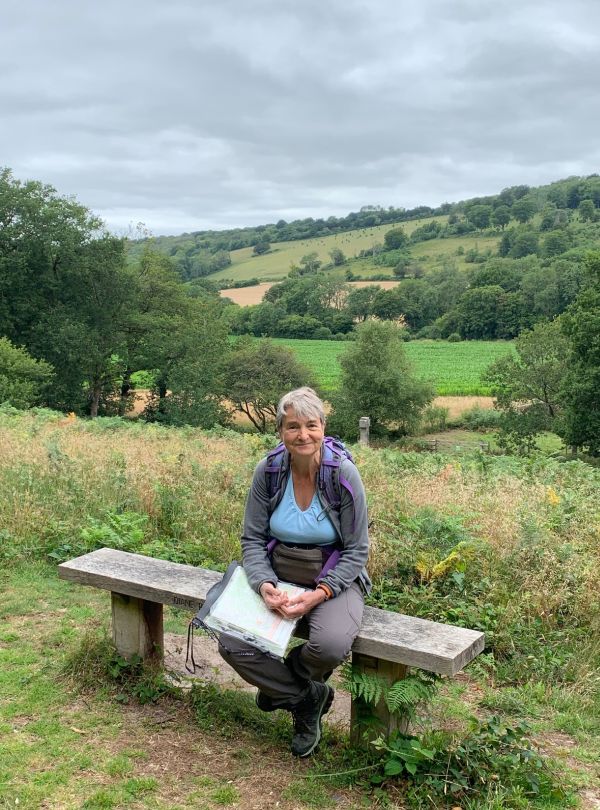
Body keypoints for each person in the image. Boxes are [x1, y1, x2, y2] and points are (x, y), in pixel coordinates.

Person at [218, 387, 371, 757]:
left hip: (333, 577)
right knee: (232, 642)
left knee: (330, 645)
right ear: (280, 431)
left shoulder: (343, 474)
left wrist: (319, 594)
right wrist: (263, 583)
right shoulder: (268, 470)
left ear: (323, 427)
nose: (303, 435)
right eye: (292, 427)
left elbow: (357, 550)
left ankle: (281, 684)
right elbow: (252, 539)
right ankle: (307, 699)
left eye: (310, 425)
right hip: (277, 572)